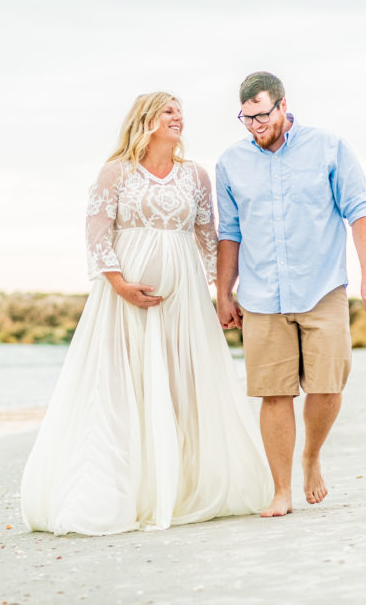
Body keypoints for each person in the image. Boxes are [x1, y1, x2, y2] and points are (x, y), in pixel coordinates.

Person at [21, 92, 273, 535]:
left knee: (180, 386)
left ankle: (178, 488)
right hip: (122, 301)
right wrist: (118, 284)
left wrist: (224, 293)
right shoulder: (115, 173)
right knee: (123, 387)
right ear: (146, 119)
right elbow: (97, 231)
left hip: (184, 300)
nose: (179, 118)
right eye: (169, 111)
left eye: (181, 112)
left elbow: (207, 236)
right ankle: (126, 490)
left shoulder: (195, 175)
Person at [215, 72, 366, 518]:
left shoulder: (328, 147)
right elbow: (229, 233)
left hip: (322, 287)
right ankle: (281, 490)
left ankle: (312, 456)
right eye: (246, 118)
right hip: (261, 294)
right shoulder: (230, 162)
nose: (255, 125)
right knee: (274, 394)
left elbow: (360, 211)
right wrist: (223, 293)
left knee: (328, 387)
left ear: (283, 105)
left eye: (263, 115)